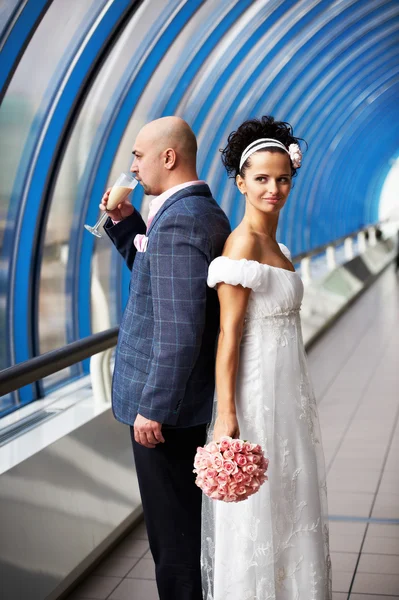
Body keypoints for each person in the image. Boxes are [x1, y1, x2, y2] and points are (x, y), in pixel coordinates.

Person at [201, 116, 332, 599]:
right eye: (261, 179)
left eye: (282, 178)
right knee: (260, 508)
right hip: (255, 394)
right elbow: (228, 336)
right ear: (240, 182)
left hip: (289, 389)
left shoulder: (279, 247)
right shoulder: (242, 246)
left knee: (291, 499)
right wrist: (228, 415)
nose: (274, 188)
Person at [101, 116, 231, 600]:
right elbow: (162, 283)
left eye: (138, 155)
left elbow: (178, 331)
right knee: (181, 533)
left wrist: (153, 406)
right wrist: (123, 222)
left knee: (173, 541)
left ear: (169, 157)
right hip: (183, 404)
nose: (133, 167)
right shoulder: (198, 211)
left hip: (165, 413)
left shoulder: (179, 220)